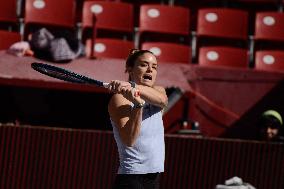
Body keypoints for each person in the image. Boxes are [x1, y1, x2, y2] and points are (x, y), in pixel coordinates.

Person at [107, 49, 168, 189]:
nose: (150, 70)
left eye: (154, 67)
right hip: (132, 179)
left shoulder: (159, 91)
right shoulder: (119, 98)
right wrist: (137, 105)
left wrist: (132, 86)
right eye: (143, 65)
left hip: (154, 179)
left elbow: (162, 100)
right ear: (130, 69)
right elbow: (129, 140)